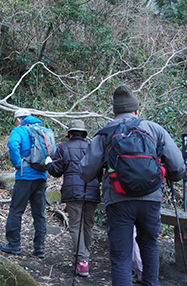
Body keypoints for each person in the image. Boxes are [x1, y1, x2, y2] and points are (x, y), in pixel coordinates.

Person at [79, 85, 185, 285]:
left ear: (114, 111)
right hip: (151, 199)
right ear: (137, 111)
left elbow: (85, 172)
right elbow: (178, 167)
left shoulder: (105, 133)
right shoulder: (155, 129)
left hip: (118, 201)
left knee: (121, 256)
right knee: (149, 245)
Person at [46, 119, 100, 276]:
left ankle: (82, 261)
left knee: (76, 225)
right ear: (83, 134)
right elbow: (99, 171)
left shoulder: (63, 147)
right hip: (92, 189)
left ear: (70, 133)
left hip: (72, 192)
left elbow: (56, 171)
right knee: (88, 225)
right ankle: (84, 257)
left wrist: (49, 163)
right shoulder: (92, 148)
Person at [0, 109, 48, 258]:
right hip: (41, 176)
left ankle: (14, 245)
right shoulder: (44, 130)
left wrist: (18, 165)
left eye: (15, 120)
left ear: (19, 119)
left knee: (16, 210)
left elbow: (13, 146)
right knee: (39, 213)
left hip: (24, 177)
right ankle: (39, 247)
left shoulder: (19, 130)